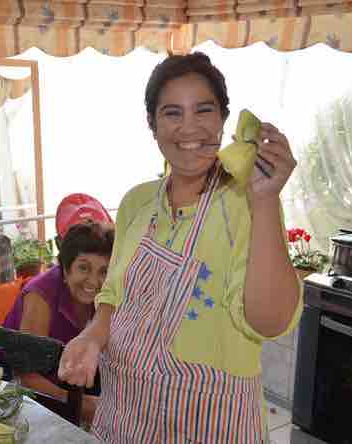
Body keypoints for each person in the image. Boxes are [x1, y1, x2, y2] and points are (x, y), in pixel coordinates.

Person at [58, 52, 302, 443]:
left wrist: (267, 198)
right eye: (172, 113)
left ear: (223, 119)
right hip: (127, 414)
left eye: (203, 111)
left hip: (213, 423)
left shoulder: (248, 204)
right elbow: (113, 296)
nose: (189, 128)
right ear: (152, 125)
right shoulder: (137, 202)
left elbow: (269, 323)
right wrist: (92, 337)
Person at [0, 194, 114, 424]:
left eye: (103, 271)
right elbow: (26, 375)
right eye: (83, 268)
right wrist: (77, 406)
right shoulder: (40, 297)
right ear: (65, 268)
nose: (93, 280)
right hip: (15, 380)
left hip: (65, 377)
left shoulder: (109, 294)